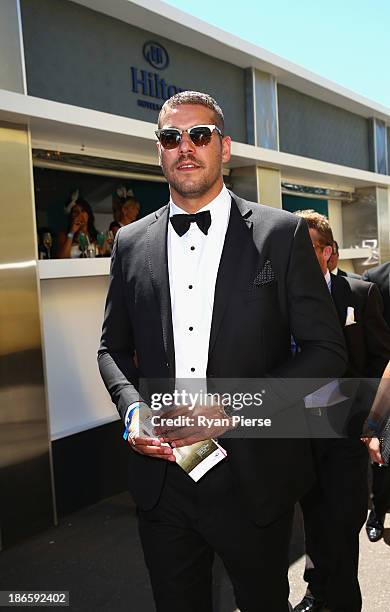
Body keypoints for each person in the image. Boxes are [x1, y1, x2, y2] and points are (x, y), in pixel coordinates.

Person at [98, 91, 347, 612]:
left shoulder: (281, 234)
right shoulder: (130, 242)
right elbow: (111, 349)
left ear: (225, 147)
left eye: (199, 135)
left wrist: (233, 407)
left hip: (252, 474)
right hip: (162, 477)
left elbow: (327, 352)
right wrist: (133, 411)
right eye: (171, 138)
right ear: (160, 151)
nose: (184, 147)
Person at [293, 211, 390, 612]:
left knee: (345, 521)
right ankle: (316, 590)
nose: (296, 255)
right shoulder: (277, 298)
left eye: (307, 248)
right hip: (295, 437)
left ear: (328, 253)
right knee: (312, 522)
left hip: (347, 436)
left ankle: (345, 598)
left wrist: (374, 426)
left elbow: (382, 361)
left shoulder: (360, 294)